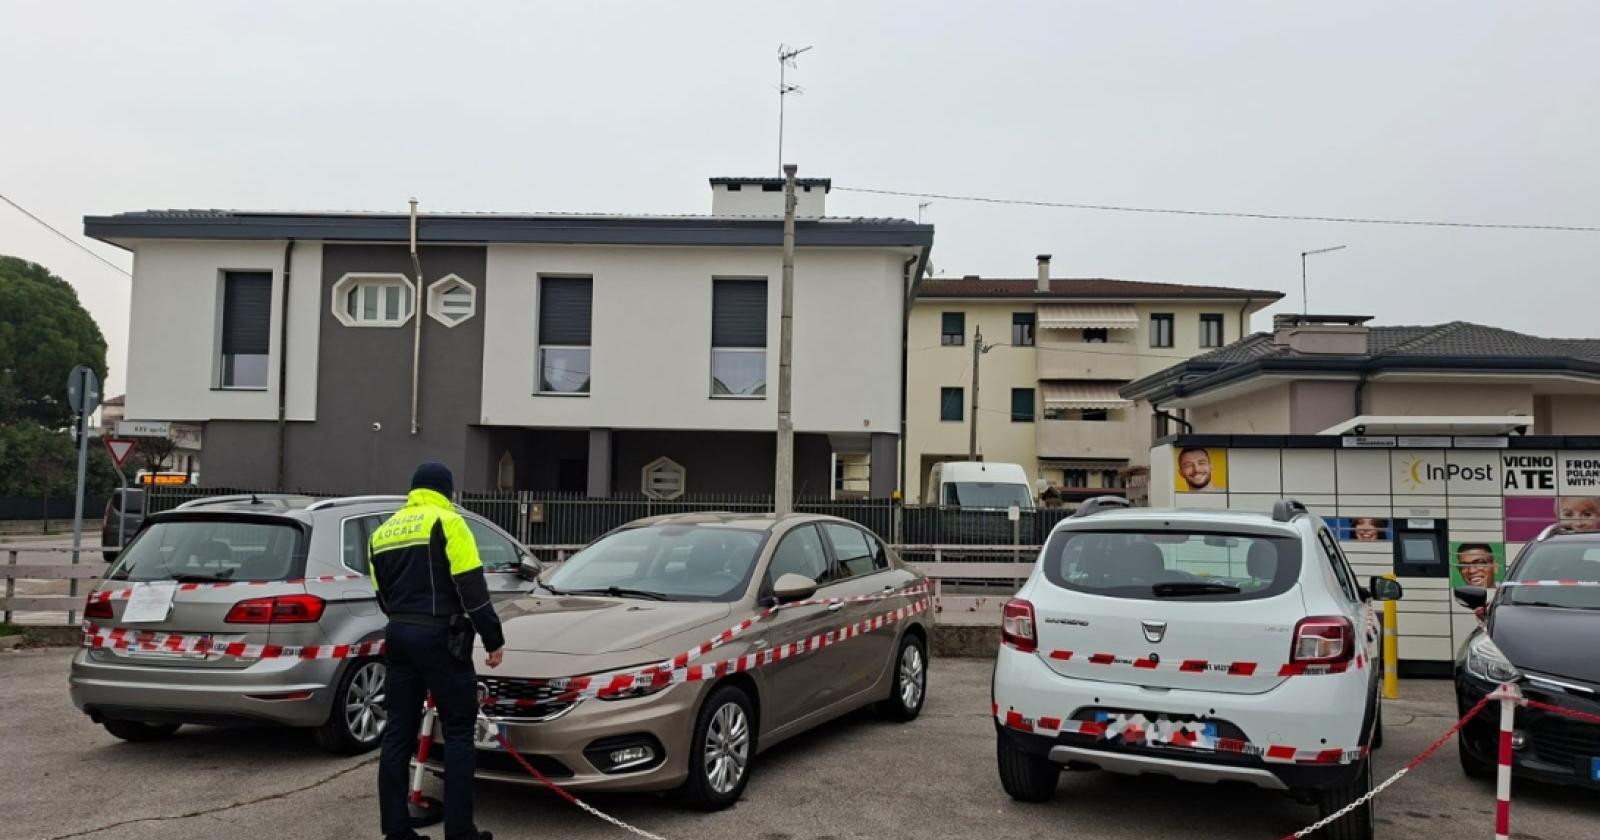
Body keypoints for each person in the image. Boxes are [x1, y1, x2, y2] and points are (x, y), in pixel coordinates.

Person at [371, 462, 505, 840]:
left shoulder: (383, 532)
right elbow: (472, 588)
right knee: (460, 730)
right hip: (441, 639)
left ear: (414, 490)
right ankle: (460, 833)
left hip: (398, 634)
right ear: (447, 491)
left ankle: (397, 832)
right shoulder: (448, 522)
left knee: (398, 732)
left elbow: (381, 594)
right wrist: (492, 639)